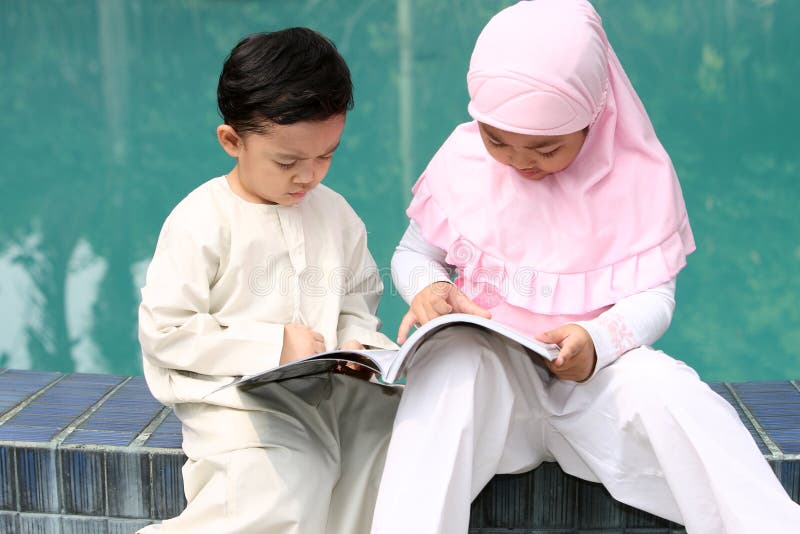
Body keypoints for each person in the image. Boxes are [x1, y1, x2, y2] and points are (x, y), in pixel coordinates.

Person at [370, 1, 800, 533]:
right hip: (493, 394)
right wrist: (430, 288)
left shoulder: (638, 177)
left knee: (673, 392)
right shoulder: (466, 159)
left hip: (595, 387)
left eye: (546, 148)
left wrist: (597, 341)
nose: (518, 162)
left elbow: (655, 297)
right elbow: (412, 254)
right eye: (496, 139)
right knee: (450, 369)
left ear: (595, 118)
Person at [138, 28, 400, 534]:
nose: (309, 176)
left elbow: (357, 297)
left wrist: (356, 342)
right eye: (288, 161)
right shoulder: (202, 220)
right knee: (282, 485)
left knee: (390, 446)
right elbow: (165, 332)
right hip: (233, 399)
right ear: (232, 141)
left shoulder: (337, 214)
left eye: (326, 156)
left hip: (326, 392)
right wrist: (275, 345)